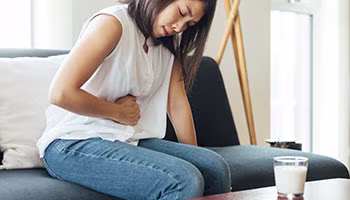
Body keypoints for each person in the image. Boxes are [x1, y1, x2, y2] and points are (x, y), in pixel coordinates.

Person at [37, 0, 231, 199]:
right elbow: (61, 93)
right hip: (72, 142)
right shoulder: (113, 24)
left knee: (214, 169)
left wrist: (193, 158)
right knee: (183, 180)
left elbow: (177, 105)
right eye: (181, 12)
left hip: (126, 138)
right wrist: (117, 112)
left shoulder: (166, 45)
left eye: (189, 25)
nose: (179, 27)